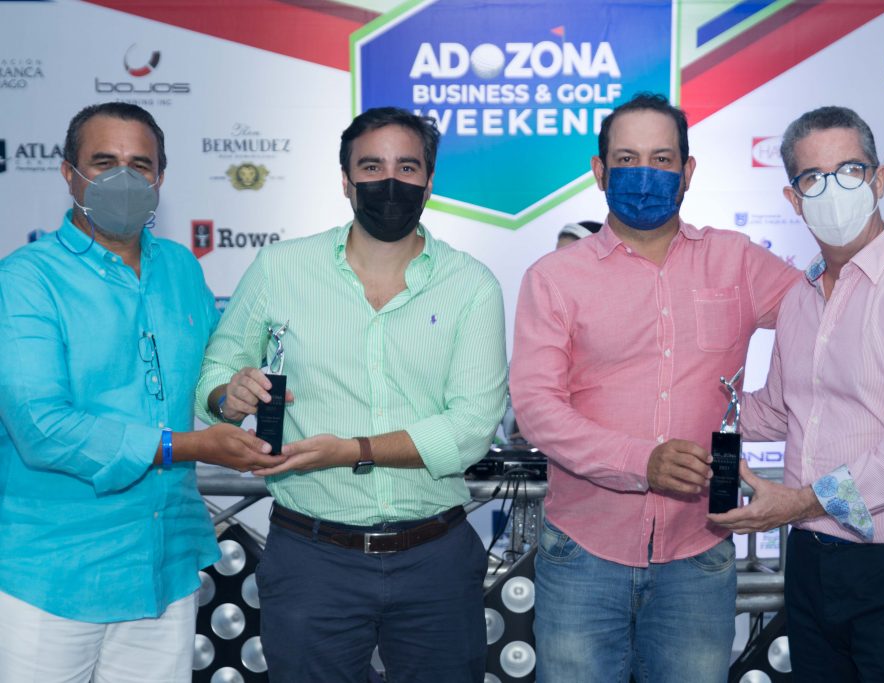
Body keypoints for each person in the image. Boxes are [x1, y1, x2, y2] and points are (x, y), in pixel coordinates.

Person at [509, 93, 884, 683]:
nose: (645, 173)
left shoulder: (735, 260)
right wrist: (640, 461)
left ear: (688, 172)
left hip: (699, 555)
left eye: (662, 159)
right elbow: (537, 408)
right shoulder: (554, 278)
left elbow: (834, 301)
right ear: (599, 170)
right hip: (583, 553)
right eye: (627, 159)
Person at [195, 106, 508, 683]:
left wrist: (353, 450)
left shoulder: (471, 285)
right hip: (312, 558)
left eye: (406, 167)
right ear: (345, 180)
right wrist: (226, 395)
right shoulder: (281, 268)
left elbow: (468, 432)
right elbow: (216, 371)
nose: (390, 181)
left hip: (435, 560)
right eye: (371, 167)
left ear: (428, 182)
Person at [0, 102, 277, 683]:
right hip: (53, 575)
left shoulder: (180, 267)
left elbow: (203, 380)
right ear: (68, 173)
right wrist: (187, 446)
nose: (123, 178)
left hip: (163, 564)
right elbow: (41, 428)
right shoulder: (25, 279)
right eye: (104, 163)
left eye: (140, 165)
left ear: (160, 178)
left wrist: (225, 397)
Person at [709, 106, 884, 681]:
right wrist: (671, 420)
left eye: (850, 171)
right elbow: (776, 409)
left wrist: (803, 502)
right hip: (814, 564)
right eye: (813, 177)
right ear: (794, 199)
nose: (833, 189)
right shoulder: (800, 299)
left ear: (879, 180)